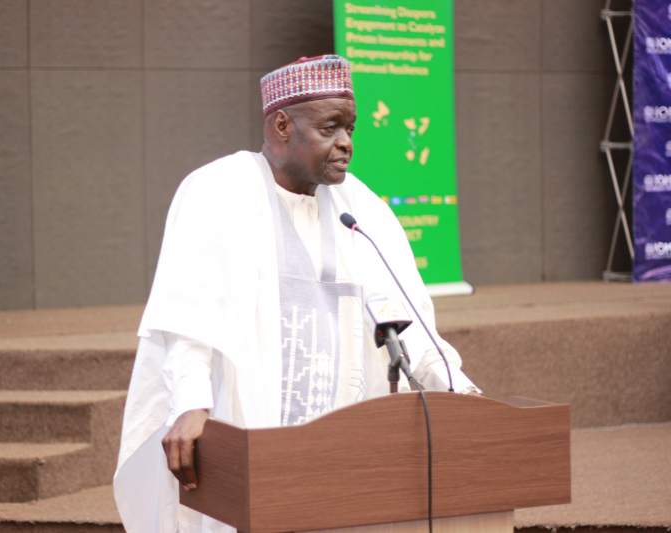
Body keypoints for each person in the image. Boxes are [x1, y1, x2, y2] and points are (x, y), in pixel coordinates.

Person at [113, 55, 480, 533]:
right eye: (330, 128)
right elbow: (189, 316)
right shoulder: (219, 190)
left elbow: (410, 323)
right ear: (282, 125)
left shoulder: (363, 209)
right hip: (247, 440)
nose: (346, 142)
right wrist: (190, 403)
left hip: (342, 453)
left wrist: (459, 392)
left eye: (350, 128)